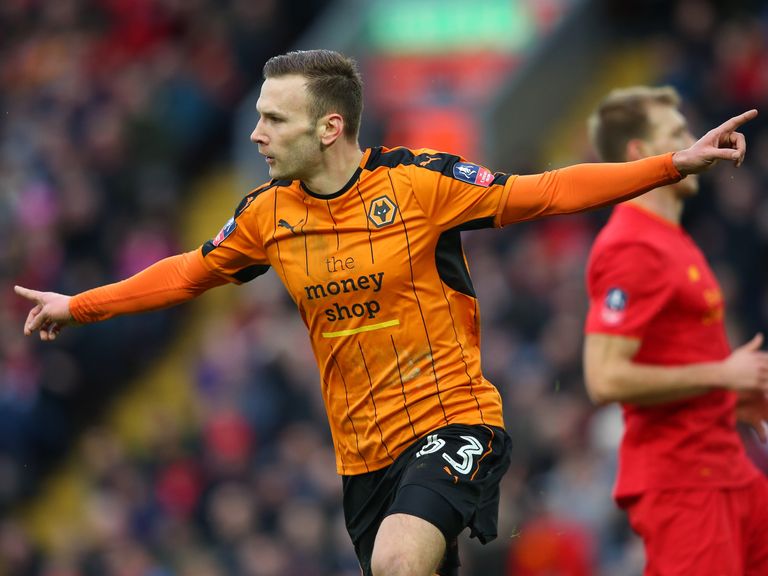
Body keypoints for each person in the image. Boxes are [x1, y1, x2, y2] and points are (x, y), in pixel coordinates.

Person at [15, 51, 757, 576]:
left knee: (401, 561)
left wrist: (667, 165)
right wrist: (79, 305)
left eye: (274, 119)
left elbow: (547, 191)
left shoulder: (419, 184)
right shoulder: (267, 216)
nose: (255, 136)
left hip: (452, 421)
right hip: (362, 459)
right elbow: (189, 275)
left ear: (329, 127)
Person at [583, 86, 768, 575]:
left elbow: (675, 357)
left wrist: (733, 395)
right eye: (678, 133)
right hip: (685, 485)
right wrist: (723, 375)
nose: (696, 139)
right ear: (641, 153)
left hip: (727, 470)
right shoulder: (631, 246)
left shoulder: (672, 241)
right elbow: (604, 378)